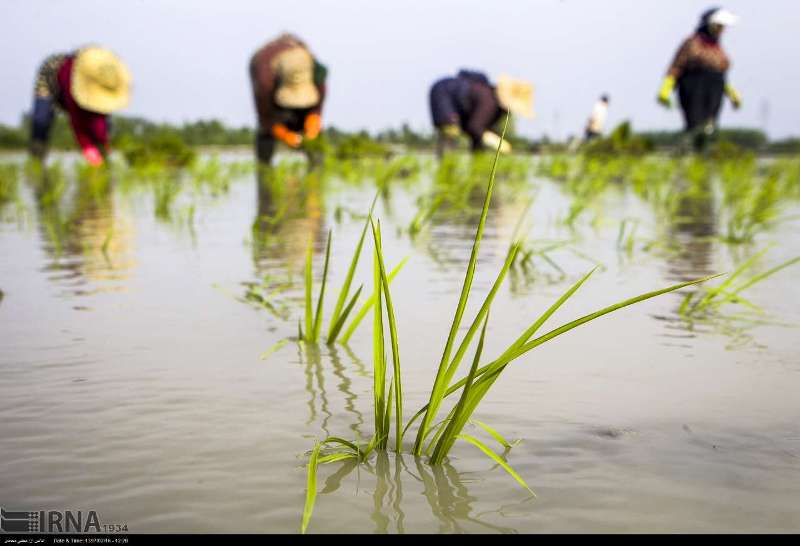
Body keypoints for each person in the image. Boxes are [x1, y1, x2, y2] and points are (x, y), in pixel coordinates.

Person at [657, 7, 742, 152]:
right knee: (695, 123)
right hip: (693, 86)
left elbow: (719, 71)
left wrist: (731, 92)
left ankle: (704, 154)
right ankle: (691, 152)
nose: (722, 30)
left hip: (715, 88)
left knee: (710, 125)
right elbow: (677, 66)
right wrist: (666, 88)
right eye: (719, 26)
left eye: (723, 27)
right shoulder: (692, 43)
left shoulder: (717, 49)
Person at [29, 46, 131, 166]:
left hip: (81, 77)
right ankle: (36, 161)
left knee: (100, 125)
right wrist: (87, 147)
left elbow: (99, 118)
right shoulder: (69, 78)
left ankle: (104, 158)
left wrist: (103, 143)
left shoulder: (103, 75)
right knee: (41, 119)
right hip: (52, 78)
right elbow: (76, 119)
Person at [249, 34, 328, 165]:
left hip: (306, 97)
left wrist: (314, 119)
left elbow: (318, 103)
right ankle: (265, 174)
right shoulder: (264, 82)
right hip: (272, 105)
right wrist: (284, 134)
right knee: (265, 137)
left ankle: (315, 177)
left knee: (316, 144)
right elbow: (265, 118)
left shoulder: (317, 72)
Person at [429, 70, 533, 156]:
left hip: (460, 106)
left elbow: (477, 132)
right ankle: (447, 169)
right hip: (443, 94)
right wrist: (497, 143)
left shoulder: (496, 108)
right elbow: (474, 127)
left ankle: (476, 166)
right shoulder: (489, 102)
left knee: (477, 139)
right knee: (451, 131)